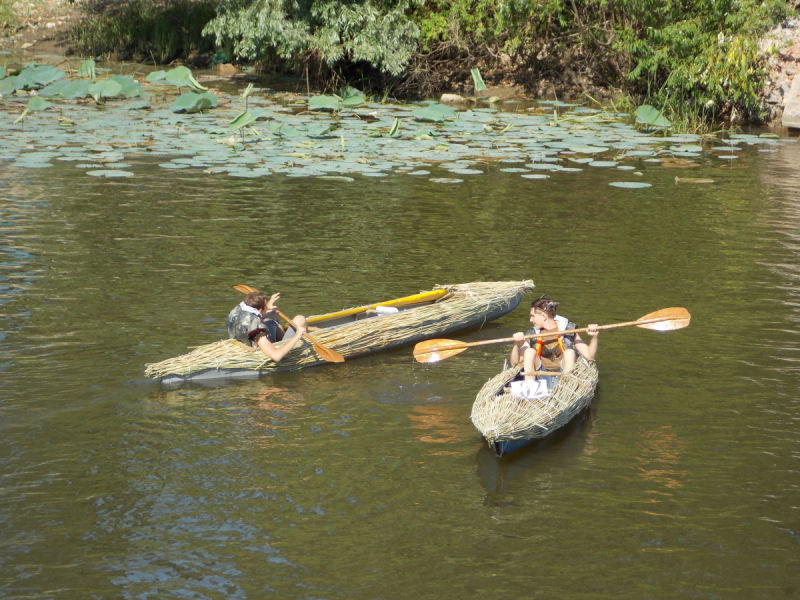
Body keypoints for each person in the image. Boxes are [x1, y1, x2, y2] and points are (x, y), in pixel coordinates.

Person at [510, 295, 599, 384]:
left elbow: (590, 356)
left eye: (533, 316)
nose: (530, 320)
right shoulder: (533, 333)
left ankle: (564, 388)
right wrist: (516, 344)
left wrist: (594, 337)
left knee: (570, 353)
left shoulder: (569, 329)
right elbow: (515, 362)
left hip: (562, 374)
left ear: (544, 316)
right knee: (529, 352)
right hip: (541, 375)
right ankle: (530, 388)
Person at [227, 291, 308, 363]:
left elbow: (254, 314)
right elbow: (276, 356)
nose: (266, 308)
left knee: (271, 313)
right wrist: (297, 335)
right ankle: (302, 347)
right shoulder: (256, 328)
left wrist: (267, 307)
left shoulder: (235, 311)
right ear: (260, 310)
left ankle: (282, 339)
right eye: (265, 307)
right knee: (300, 319)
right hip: (264, 348)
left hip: (244, 342)